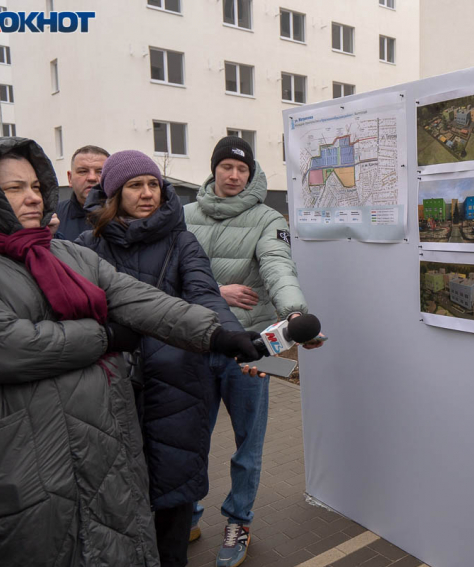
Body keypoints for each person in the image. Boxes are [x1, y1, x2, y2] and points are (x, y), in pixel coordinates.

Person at [0, 137, 261, 567]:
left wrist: (217, 336)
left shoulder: (62, 252)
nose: (32, 198)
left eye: (36, 187)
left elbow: (137, 298)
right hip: (19, 453)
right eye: (13, 189)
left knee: (112, 538)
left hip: (97, 434)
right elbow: (3, 346)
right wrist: (106, 338)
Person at [75, 150, 258, 567]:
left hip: (177, 388)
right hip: (110, 391)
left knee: (174, 498)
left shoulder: (180, 239)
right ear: (114, 193)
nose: (147, 194)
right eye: (135, 186)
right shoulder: (87, 247)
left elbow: (204, 293)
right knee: (118, 502)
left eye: (153, 184)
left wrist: (228, 336)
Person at [184, 136, 324, 567]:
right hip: (193, 342)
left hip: (250, 348)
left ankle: (238, 521)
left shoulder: (267, 219)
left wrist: (295, 315)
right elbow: (170, 272)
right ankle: (185, 512)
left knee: (248, 444)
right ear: (214, 170)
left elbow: (278, 265)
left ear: (251, 173)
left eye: (241, 169)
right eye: (226, 166)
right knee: (189, 440)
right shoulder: (183, 215)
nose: (233, 175)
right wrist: (216, 291)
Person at [55, 145, 109, 241]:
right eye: (83, 171)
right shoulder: (53, 217)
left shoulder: (126, 217)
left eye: (100, 172)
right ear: (69, 178)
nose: (92, 178)